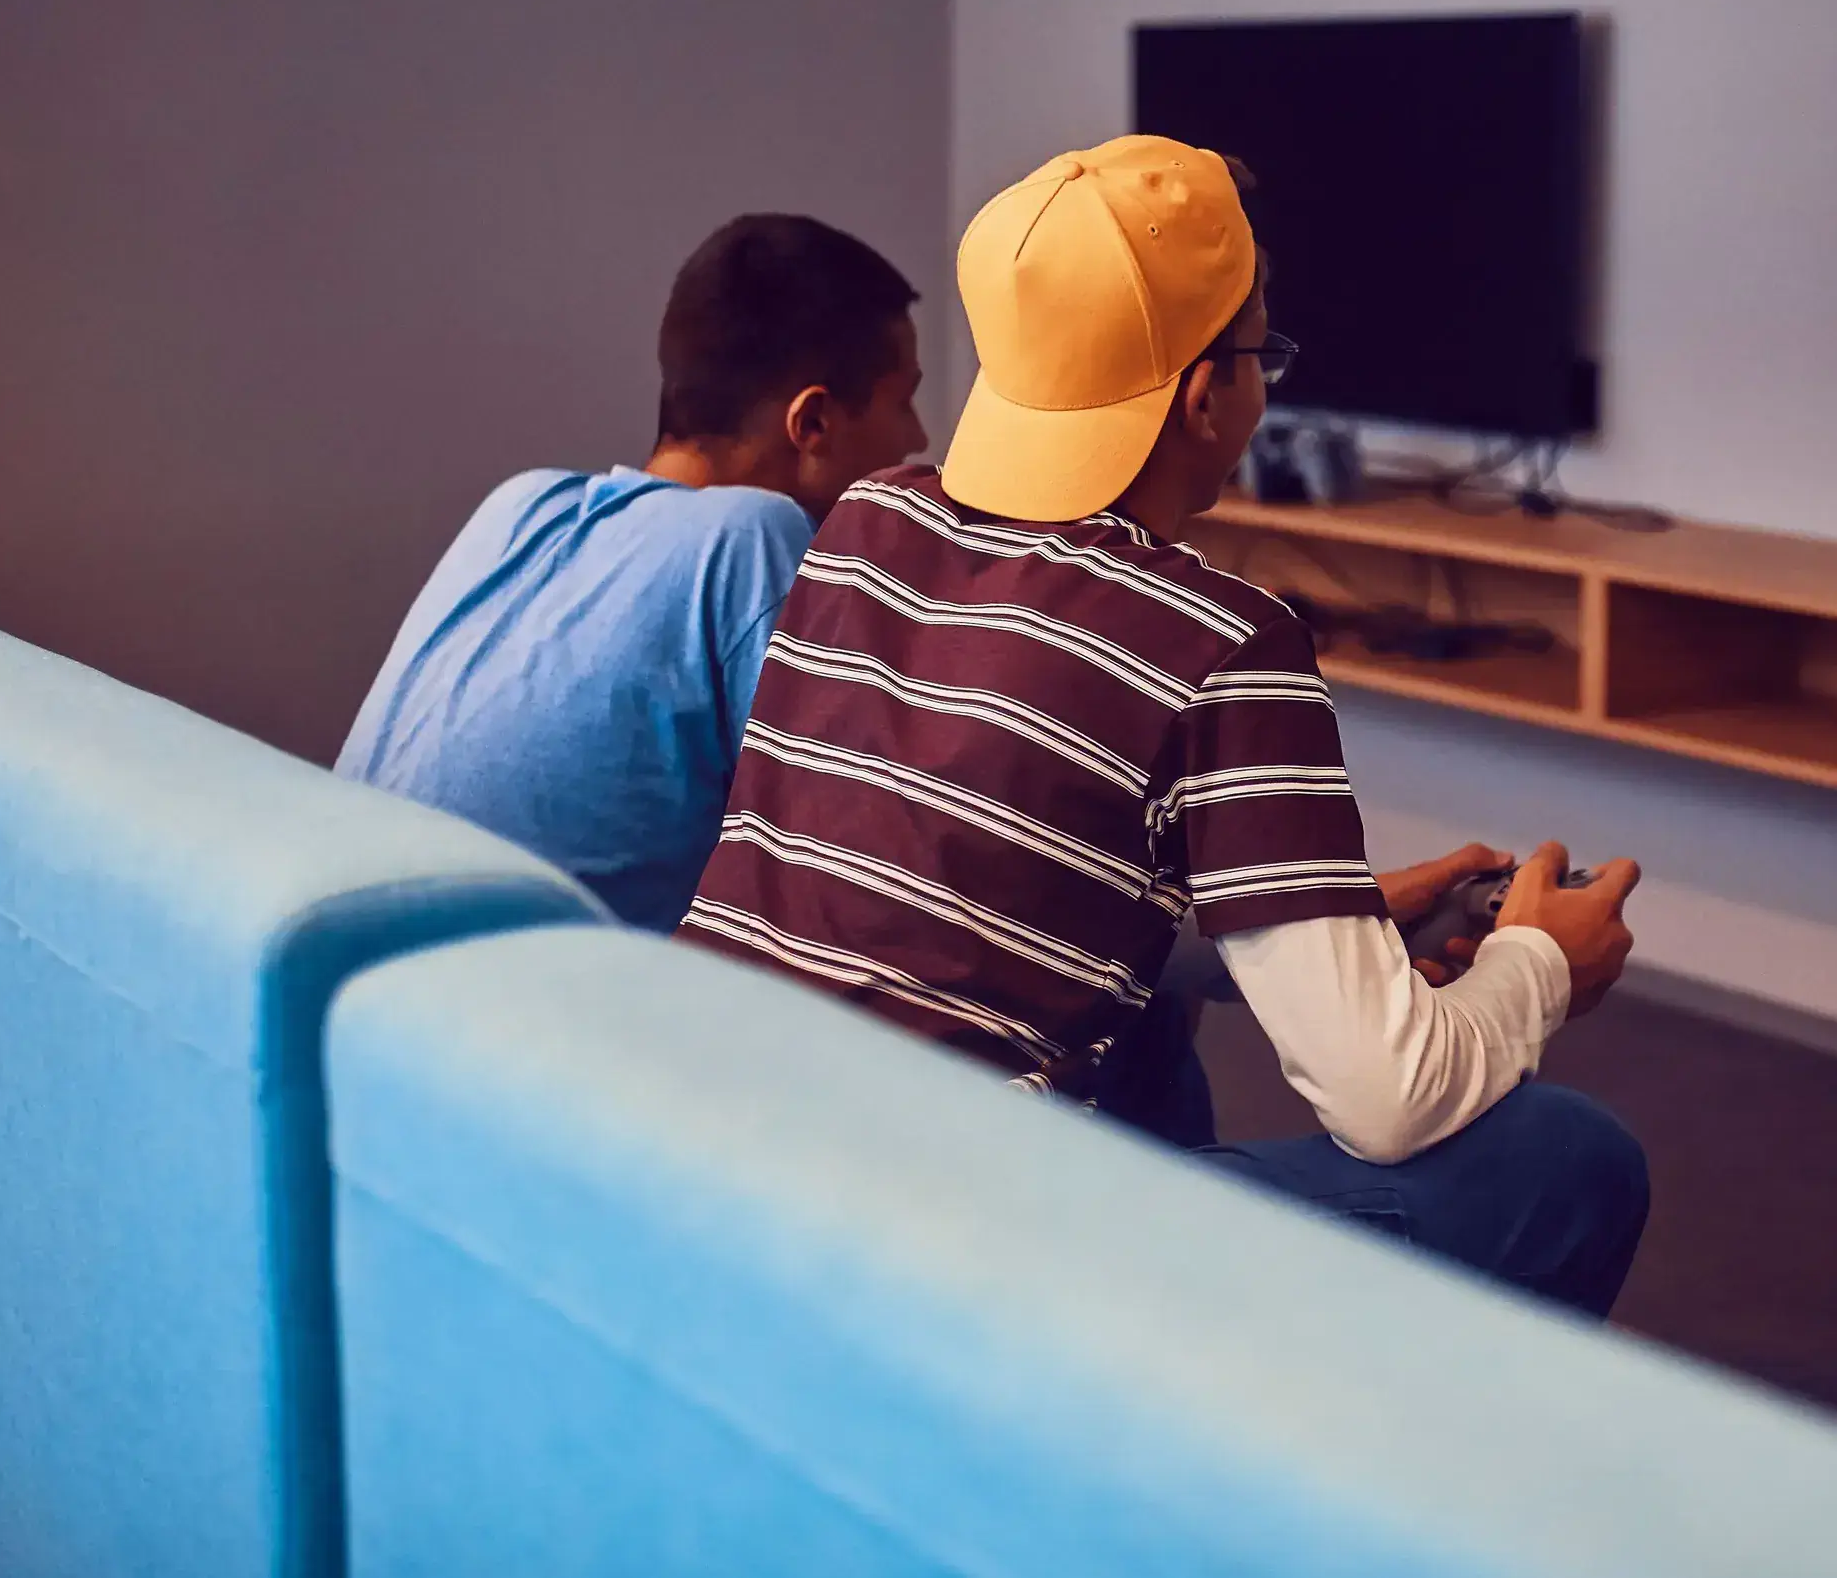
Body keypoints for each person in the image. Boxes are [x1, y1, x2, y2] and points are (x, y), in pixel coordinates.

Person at [678, 136, 1651, 1316]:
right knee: (1565, 1161)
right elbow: (1388, 1098)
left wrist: (1316, 918)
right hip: (919, 1249)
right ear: (1207, 394)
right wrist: (1538, 962)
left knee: (1135, 1005)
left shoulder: (867, 522)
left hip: (700, 1150)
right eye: (1260, 354)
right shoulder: (1223, 641)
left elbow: (989, 871)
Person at [339, 216, 928, 928]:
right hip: (516, 1020)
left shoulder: (520, 505)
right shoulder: (751, 535)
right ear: (814, 424)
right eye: (905, 401)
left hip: (359, 984)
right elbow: (861, 864)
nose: (919, 439)